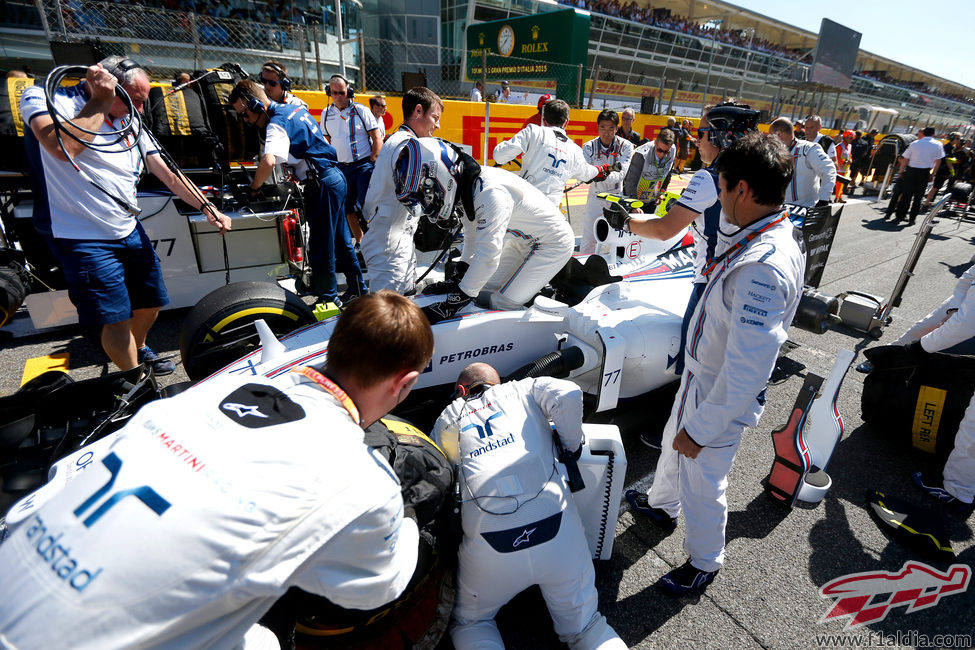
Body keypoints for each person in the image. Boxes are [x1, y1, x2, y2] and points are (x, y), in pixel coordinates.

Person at [0, 290, 433, 648]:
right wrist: (406, 519)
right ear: (405, 383)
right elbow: (376, 588)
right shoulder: (361, 479)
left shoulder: (204, 394)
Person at [624, 132, 805, 595]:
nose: (717, 196)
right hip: (702, 376)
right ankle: (662, 505)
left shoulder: (764, 267)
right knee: (671, 442)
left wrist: (702, 429)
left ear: (741, 190)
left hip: (721, 392)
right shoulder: (759, 230)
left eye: (721, 187)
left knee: (703, 477)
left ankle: (705, 560)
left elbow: (748, 370)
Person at [21, 56, 232, 375]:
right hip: (81, 235)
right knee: (115, 318)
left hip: (127, 229)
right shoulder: (44, 98)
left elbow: (167, 173)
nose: (141, 110)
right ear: (107, 84)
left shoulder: (130, 117)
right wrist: (102, 101)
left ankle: (138, 348)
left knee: (152, 302)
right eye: (134, 100)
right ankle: (135, 383)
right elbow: (64, 148)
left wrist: (207, 206)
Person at [432, 362, 627, 650]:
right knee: (587, 627)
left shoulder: (447, 419)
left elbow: (443, 476)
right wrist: (570, 447)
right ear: (497, 383)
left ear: (461, 390)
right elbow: (569, 393)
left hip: (492, 548)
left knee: (471, 624)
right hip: (556, 536)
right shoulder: (521, 389)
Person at [604, 103, 759, 396]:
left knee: (695, 361)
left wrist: (626, 223)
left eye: (701, 133)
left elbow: (664, 230)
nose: (695, 140)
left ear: (719, 137)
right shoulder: (756, 177)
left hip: (711, 284)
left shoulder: (707, 178)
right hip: (744, 277)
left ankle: (684, 429)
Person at [395, 137, 574, 322]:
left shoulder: (490, 193)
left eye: (426, 193)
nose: (427, 201)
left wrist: (455, 301)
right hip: (522, 239)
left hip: (553, 244)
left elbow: (488, 255)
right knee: (484, 290)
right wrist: (459, 277)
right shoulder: (466, 185)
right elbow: (472, 235)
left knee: (503, 302)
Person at [230, 79, 367, 305]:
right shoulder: (292, 108)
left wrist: (253, 190)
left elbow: (269, 160)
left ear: (255, 105)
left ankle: (329, 302)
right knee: (342, 243)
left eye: (245, 114)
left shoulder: (276, 123)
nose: (245, 121)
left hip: (322, 184)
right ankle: (358, 290)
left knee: (321, 250)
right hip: (334, 177)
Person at [361, 87, 443, 294]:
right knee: (388, 316)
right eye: (435, 117)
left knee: (401, 303)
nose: (438, 125)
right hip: (390, 244)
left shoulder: (398, 139)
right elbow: (414, 192)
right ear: (418, 111)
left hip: (392, 239)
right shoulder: (408, 145)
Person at [493, 99, 611, 207]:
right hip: (550, 214)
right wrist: (602, 170)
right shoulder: (574, 149)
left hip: (524, 206)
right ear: (566, 122)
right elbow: (588, 174)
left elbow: (499, 156)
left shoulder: (533, 131)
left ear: (544, 120)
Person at [321, 73, 382, 247]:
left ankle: (377, 240)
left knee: (368, 205)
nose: (339, 96)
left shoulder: (361, 111)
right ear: (329, 93)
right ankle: (361, 242)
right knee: (346, 207)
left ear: (349, 91)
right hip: (341, 169)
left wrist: (372, 161)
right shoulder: (326, 114)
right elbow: (326, 140)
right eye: (335, 93)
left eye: (342, 92)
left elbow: (377, 137)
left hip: (363, 166)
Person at [580, 109, 634, 254]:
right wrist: (596, 174)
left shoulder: (626, 146)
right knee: (589, 236)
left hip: (617, 196)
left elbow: (621, 173)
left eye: (611, 128)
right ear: (597, 127)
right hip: (596, 196)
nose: (606, 132)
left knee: (620, 237)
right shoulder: (588, 147)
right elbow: (584, 173)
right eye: (603, 127)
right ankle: (584, 269)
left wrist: (598, 173)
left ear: (617, 128)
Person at [768, 117, 835, 207]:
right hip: (780, 210)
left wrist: (823, 199)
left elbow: (829, 170)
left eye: (771, 136)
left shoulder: (809, 148)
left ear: (779, 133)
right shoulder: (774, 152)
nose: (769, 140)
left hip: (804, 210)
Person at [887, 126, 944, 225]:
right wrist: (933, 174)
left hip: (911, 171)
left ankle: (899, 217)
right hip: (925, 172)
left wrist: (901, 171)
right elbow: (938, 161)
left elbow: (905, 159)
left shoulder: (914, 143)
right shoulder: (938, 144)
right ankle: (912, 218)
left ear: (924, 133)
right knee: (918, 197)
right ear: (933, 134)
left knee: (906, 195)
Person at [623, 127, 676, 209]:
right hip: (634, 200)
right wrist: (634, 206)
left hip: (652, 200)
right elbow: (630, 183)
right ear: (655, 143)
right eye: (659, 150)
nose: (662, 154)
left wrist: (662, 192)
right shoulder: (641, 155)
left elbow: (668, 173)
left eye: (666, 152)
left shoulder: (672, 150)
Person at [924, 132, 962, 208]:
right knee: (935, 187)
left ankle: (928, 201)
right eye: (957, 138)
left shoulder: (951, 147)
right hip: (942, 170)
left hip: (944, 170)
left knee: (937, 187)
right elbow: (947, 160)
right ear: (952, 138)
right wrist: (953, 171)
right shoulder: (948, 147)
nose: (959, 140)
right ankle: (926, 203)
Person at [834, 130, 854, 203]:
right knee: (837, 183)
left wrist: (850, 160)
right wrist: (844, 161)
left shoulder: (850, 146)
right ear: (845, 137)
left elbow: (850, 155)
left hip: (845, 168)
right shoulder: (839, 146)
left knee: (841, 184)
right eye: (850, 138)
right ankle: (836, 197)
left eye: (852, 138)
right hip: (838, 168)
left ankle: (839, 196)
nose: (851, 139)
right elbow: (837, 157)